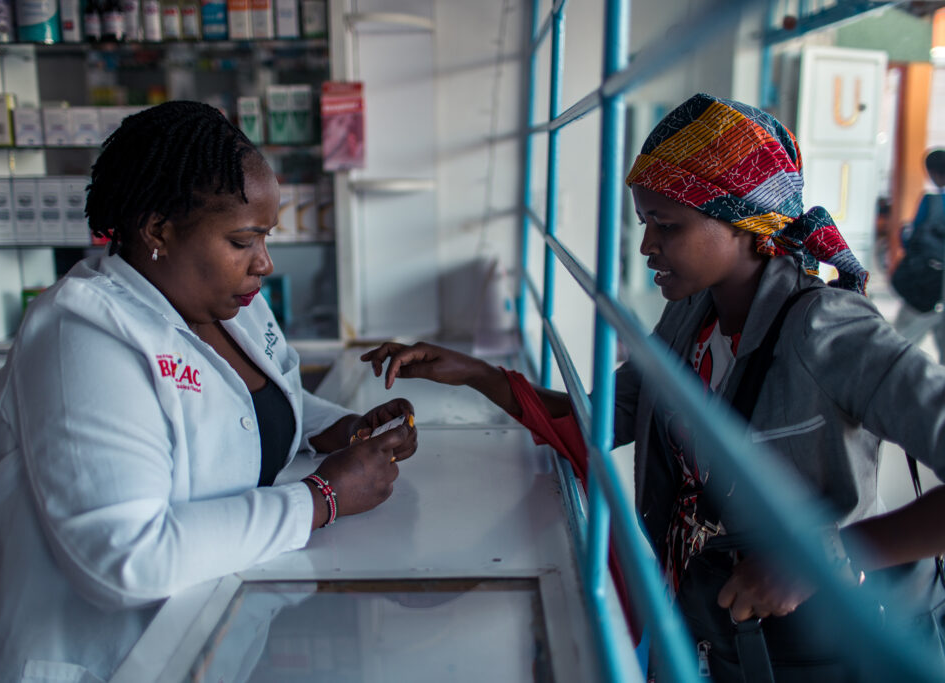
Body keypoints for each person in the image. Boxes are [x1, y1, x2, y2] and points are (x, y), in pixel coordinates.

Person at [362, 94, 945, 681]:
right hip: (712, 632)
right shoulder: (691, 318)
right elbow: (601, 420)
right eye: (645, 223)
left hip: (814, 650)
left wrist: (822, 560)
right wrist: (475, 375)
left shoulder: (829, 332)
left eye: (667, 226)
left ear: (745, 225)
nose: (646, 248)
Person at [0, 101, 416, 683]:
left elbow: (248, 402)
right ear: (158, 229)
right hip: (97, 658)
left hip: (206, 636)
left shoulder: (232, 307)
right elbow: (126, 560)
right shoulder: (81, 334)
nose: (264, 262)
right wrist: (322, 498)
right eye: (242, 240)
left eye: (266, 237)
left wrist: (338, 427)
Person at [892, 149, 945, 362]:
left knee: (900, 345)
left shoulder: (931, 202)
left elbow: (912, 240)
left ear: (933, 172)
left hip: (928, 285)